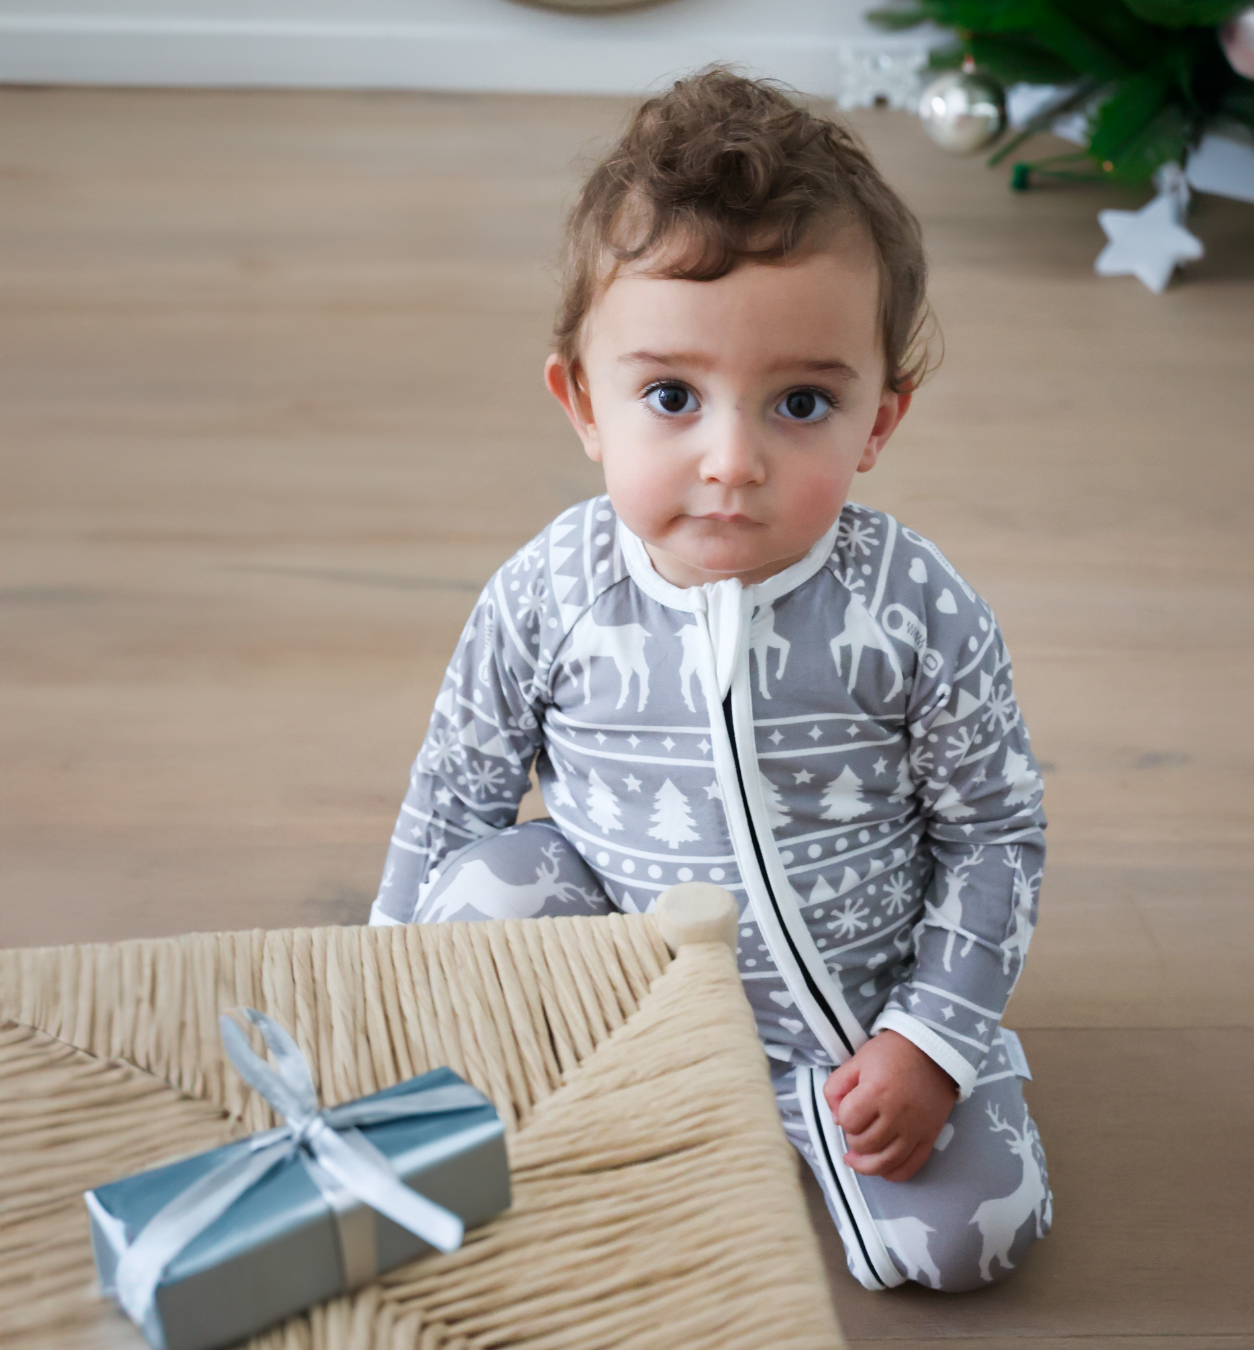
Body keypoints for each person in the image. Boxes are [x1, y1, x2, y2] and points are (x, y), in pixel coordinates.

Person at [370, 68, 1050, 1293]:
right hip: (631, 998)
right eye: (672, 396)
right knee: (478, 890)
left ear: (879, 423)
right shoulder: (550, 591)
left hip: (856, 1025)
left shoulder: (917, 608)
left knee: (967, 1249)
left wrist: (931, 1039)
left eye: (802, 402)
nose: (732, 461)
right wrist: (373, 997)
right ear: (584, 401)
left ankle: (857, 1100)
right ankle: (617, 1102)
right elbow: (455, 792)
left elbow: (994, 836)